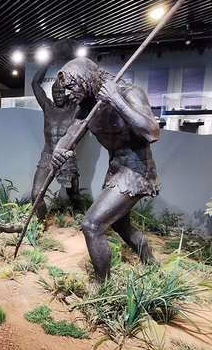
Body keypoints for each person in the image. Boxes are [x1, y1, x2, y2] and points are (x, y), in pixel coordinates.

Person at [51, 58, 159, 280]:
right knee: (121, 225)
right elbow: (70, 135)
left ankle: (103, 286)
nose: (68, 94)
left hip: (136, 170)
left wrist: (116, 100)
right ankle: (151, 264)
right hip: (115, 171)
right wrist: (59, 150)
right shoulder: (88, 107)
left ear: (86, 80)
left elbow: (152, 132)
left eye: (71, 87)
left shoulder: (129, 93)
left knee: (91, 225)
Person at [30, 44, 81, 224]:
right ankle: (41, 222)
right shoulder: (48, 107)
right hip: (48, 155)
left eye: (61, 91)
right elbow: (35, 83)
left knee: (73, 194)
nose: (58, 95)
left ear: (67, 93)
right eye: (55, 92)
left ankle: (78, 212)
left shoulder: (75, 109)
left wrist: (74, 64)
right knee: (36, 194)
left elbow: (87, 93)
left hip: (67, 156)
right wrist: (49, 60)